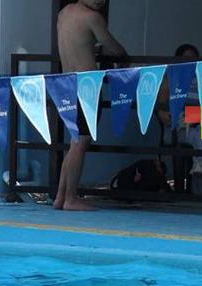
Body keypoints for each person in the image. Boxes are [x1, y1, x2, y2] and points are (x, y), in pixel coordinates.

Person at [54, 0, 127, 211]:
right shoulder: (92, 18)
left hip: (65, 84)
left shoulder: (64, 13)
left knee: (74, 142)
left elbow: (77, 42)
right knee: (81, 142)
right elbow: (113, 47)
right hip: (86, 87)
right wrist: (122, 53)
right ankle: (71, 199)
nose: (100, 0)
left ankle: (60, 197)